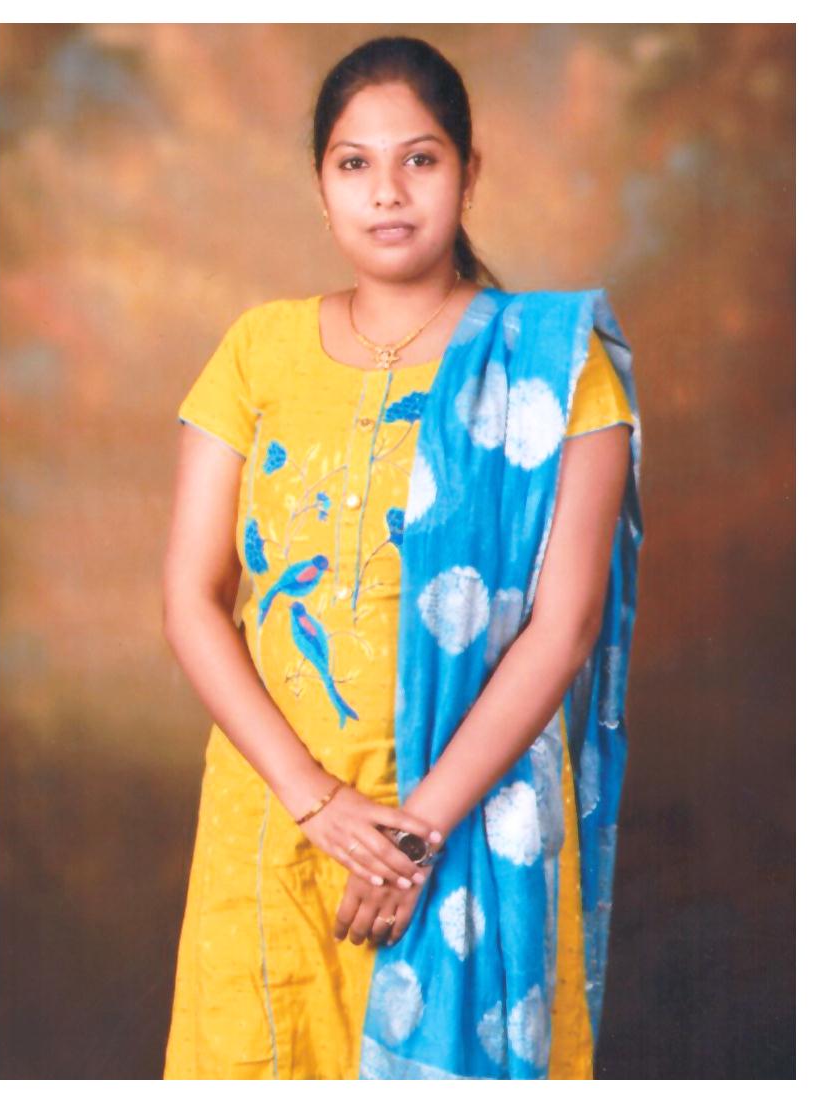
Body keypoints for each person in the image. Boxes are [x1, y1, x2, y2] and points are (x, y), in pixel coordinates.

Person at [161, 35, 642, 1081]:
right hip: (271, 812)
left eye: (420, 159)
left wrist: (415, 832)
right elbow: (192, 599)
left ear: (469, 173)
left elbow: (563, 629)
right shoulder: (256, 350)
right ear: (321, 187)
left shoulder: (557, 365)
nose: (387, 191)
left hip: (465, 820)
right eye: (354, 163)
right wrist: (316, 801)